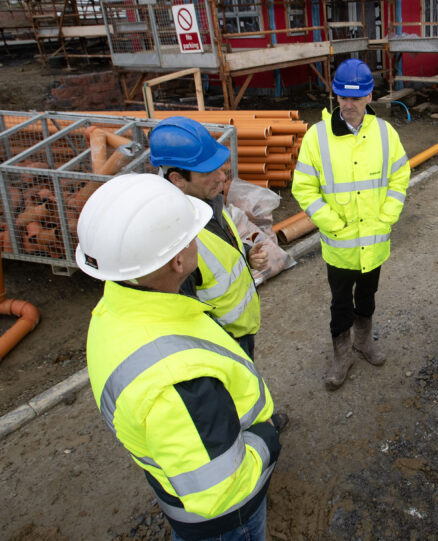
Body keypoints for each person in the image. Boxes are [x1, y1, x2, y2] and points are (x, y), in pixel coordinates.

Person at [76, 174, 283, 541]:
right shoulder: (179, 378)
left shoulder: (114, 311)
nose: (197, 240)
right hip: (226, 520)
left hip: (183, 471)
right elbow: (222, 490)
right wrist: (266, 438)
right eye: (192, 235)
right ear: (177, 262)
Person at [292, 58, 410, 391]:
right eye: (343, 96)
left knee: (368, 295)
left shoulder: (385, 134)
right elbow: (303, 186)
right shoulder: (317, 137)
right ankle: (341, 353)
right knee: (340, 302)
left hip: (374, 242)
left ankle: (363, 340)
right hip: (340, 247)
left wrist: (389, 214)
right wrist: (330, 224)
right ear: (335, 95)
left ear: (370, 95)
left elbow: (400, 175)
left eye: (356, 98)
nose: (349, 104)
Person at [150, 116, 267, 360]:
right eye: (207, 171)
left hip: (239, 333)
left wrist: (245, 254)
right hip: (219, 348)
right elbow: (183, 317)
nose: (222, 177)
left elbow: (216, 255)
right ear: (177, 179)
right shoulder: (175, 239)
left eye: (219, 166)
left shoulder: (207, 199)